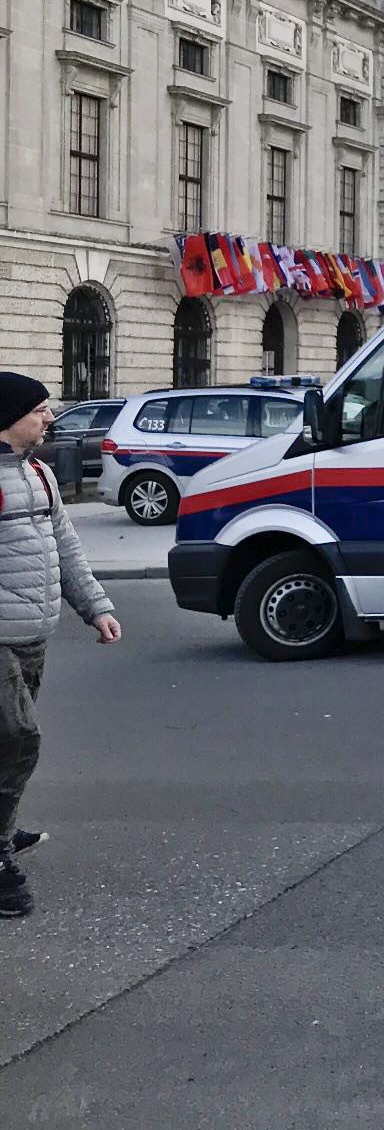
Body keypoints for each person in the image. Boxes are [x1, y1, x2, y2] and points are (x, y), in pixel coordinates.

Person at [1, 374, 122, 921]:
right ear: (10, 416)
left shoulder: (43, 475)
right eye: (41, 410)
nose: (50, 419)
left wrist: (96, 607)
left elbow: (66, 550)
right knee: (19, 740)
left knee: (8, 746)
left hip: (33, 634)